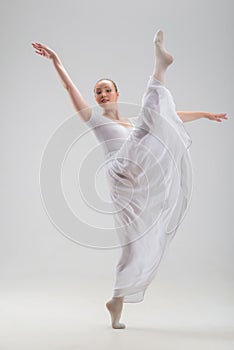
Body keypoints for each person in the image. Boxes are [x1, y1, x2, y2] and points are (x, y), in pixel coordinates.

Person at [32, 30, 227, 329]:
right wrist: (56, 60)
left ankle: (116, 302)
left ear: (117, 94)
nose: (102, 94)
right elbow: (68, 87)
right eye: (98, 91)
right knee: (148, 126)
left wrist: (203, 114)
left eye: (107, 89)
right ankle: (159, 69)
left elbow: (169, 117)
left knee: (132, 246)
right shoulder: (95, 119)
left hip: (138, 180)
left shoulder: (136, 122)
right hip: (120, 172)